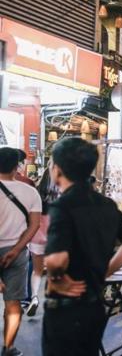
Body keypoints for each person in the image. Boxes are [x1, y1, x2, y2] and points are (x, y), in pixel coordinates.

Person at [42, 138, 122, 355]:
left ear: (57, 170)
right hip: (95, 306)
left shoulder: (62, 206)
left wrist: (55, 278)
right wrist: (106, 270)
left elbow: (56, 260)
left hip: (66, 310)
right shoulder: (106, 204)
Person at [0, 148, 41, 356]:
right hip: (16, 253)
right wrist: (16, 249)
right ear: (17, 166)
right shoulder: (30, 192)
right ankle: (8, 347)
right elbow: (34, 225)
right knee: (13, 303)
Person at [25, 168, 59, 317]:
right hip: (55, 238)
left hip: (37, 237)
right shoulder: (62, 195)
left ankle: (34, 298)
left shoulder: (35, 194)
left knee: (37, 271)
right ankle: (53, 300)